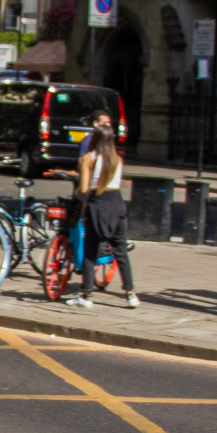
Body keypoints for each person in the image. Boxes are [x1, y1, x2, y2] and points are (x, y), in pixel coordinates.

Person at [64, 125, 138, 310]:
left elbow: (82, 189)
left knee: (90, 251)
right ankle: (130, 294)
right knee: (121, 250)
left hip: (97, 204)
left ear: (94, 139)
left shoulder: (88, 158)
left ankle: (86, 295)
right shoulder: (117, 159)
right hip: (117, 204)